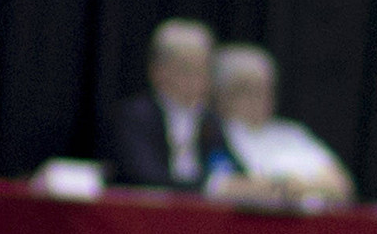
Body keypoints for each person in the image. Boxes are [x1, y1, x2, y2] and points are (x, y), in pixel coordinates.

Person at [207, 42, 354, 204]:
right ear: (222, 94)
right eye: (247, 90)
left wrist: (299, 187)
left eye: (265, 90)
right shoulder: (213, 133)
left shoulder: (292, 133)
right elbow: (215, 187)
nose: (257, 100)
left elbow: (341, 185)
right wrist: (276, 187)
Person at [105, 17, 224, 188]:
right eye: (187, 70)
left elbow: (228, 167)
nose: (197, 80)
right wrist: (213, 186)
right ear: (158, 71)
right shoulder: (136, 117)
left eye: (203, 70)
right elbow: (147, 177)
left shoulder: (210, 121)